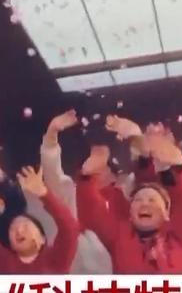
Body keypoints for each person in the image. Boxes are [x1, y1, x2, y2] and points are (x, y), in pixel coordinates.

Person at [77, 124, 182, 274]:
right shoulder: (120, 236)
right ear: (129, 213)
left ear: (167, 213)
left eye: (152, 200)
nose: (144, 204)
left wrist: (179, 164)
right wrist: (86, 177)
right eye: (138, 200)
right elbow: (93, 212)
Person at [27, 110, 114, 273]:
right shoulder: (69, 191)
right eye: (96, 155)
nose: (99, 161)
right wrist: (51, 137)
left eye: (103, 156)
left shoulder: (120, 198)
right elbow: (52, 173)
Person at [0, 167, 79, 274]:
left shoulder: (56, 261)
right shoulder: (3, 261)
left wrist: (44, 194)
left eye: (26, 226)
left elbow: (70, 228)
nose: (19, 231)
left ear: (42, 239)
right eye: (12, 229)